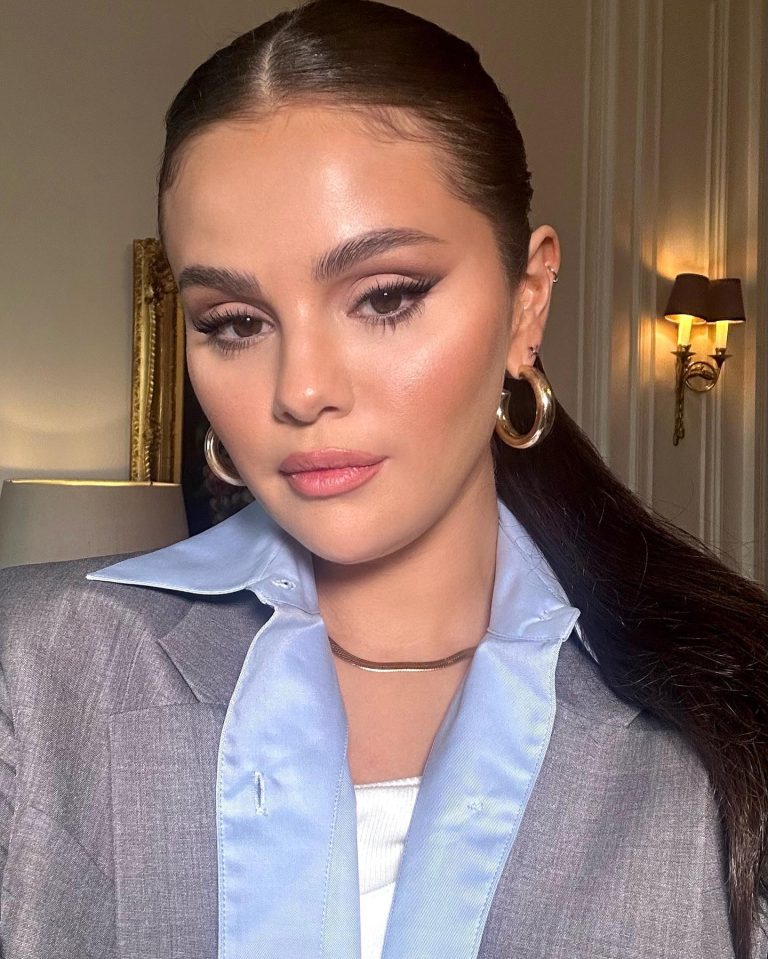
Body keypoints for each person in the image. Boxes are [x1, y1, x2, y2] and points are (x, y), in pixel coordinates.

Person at [1, 0, 767, 956]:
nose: (301, 390)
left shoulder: (726, 729)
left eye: (386, 297)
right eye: (235, 322)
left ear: (526, 304)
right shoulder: (31, 677)